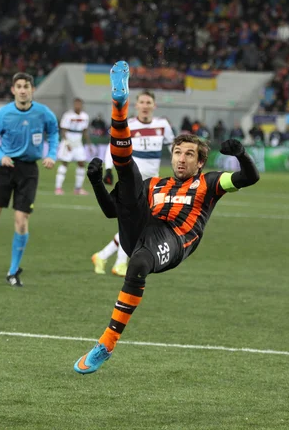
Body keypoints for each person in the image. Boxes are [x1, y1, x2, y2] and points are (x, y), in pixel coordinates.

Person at [75, 61, 259, 375]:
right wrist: (95, 182)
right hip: (141, 232)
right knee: (127, 173)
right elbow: (111, 212)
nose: (181, 158)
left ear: (200, 161)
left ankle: (106, 343)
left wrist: (241, 154)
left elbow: (249, 178)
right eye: (177, 152)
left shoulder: (210, 182)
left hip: (174, 239)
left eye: (189, 154)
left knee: (138, 264)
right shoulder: (155, 184)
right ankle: (119, 107)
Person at [0, 72, 59, 287]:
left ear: (32, 89)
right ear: (13, 90)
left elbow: (53, 133)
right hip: (5, 168)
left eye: (27, 86)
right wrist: (0, 156)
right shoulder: (3, 113)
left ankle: (14, 271)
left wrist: (51, 154)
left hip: (29, 171)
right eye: (19, 86)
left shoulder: (44, 113)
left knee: (21, 220)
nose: (23, 90)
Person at [92, 90, 175, 276]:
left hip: (153, 183)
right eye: (142, 102)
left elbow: (173, 147)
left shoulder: (163, 125)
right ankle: (120, 263)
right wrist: (107, 169)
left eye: (148, 102)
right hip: (131, 180)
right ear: (136, 105)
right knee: (134, 224)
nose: (145, 105)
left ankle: (102, 255)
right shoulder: (128, 124)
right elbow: (112, 145)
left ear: (155, 105)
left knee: (140, 224)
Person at [55, 98, 91, 195]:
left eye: (79, 104)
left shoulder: (85, 116)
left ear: (82, 105)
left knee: (81, 163)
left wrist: (89, 144)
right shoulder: (68, 115)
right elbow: (63, 130)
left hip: (78, 143)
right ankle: (58, 188)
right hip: (68, 142)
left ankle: (78, 188)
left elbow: (85, 131)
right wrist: (67, 143)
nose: (77, 106)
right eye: (76, 104)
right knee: (64, 163)